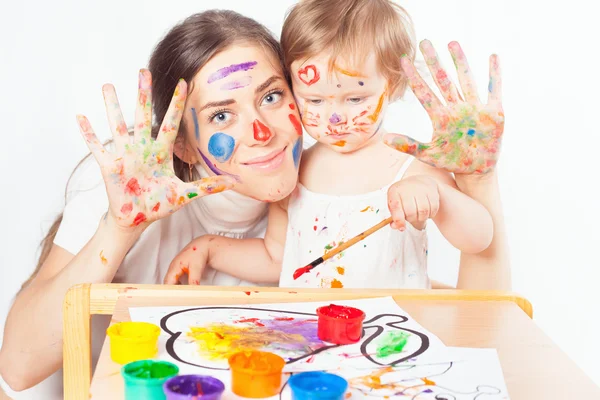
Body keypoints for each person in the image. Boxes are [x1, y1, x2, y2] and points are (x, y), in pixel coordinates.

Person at [0, 10, 303, 393]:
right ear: (183, 146)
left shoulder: (333, 189)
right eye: (222, 115)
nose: (261, 131)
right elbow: (17, 366)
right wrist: (120, 227)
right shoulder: (124, 185)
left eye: (271, 96)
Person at [165, 0, 499, 290]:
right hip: (311, 337)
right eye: (314, 99)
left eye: (355, 98)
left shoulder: (410, 166)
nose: (335, 118)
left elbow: (479, 238)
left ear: (393, 84)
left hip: (393, 339)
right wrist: (210, 248)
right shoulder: (297, 174)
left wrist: (437, 197)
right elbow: (274, 257)